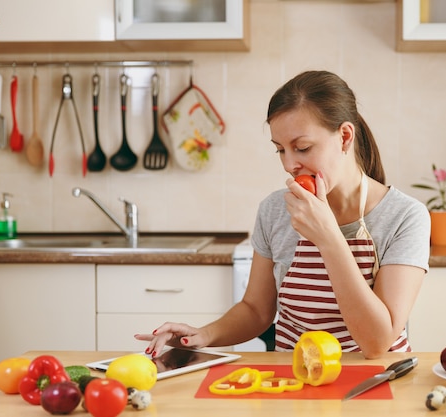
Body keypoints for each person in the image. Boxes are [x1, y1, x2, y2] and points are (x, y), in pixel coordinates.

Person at [135, 70, 430, 359]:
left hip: (376, 383)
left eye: (302, 148)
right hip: (295, 380)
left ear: (344, 137)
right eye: (280, 150)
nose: (290, 164)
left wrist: (329, 239)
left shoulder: (405, 216)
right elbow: (256, 309)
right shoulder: (275, 210)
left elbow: (377, 343)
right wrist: (203, 335)